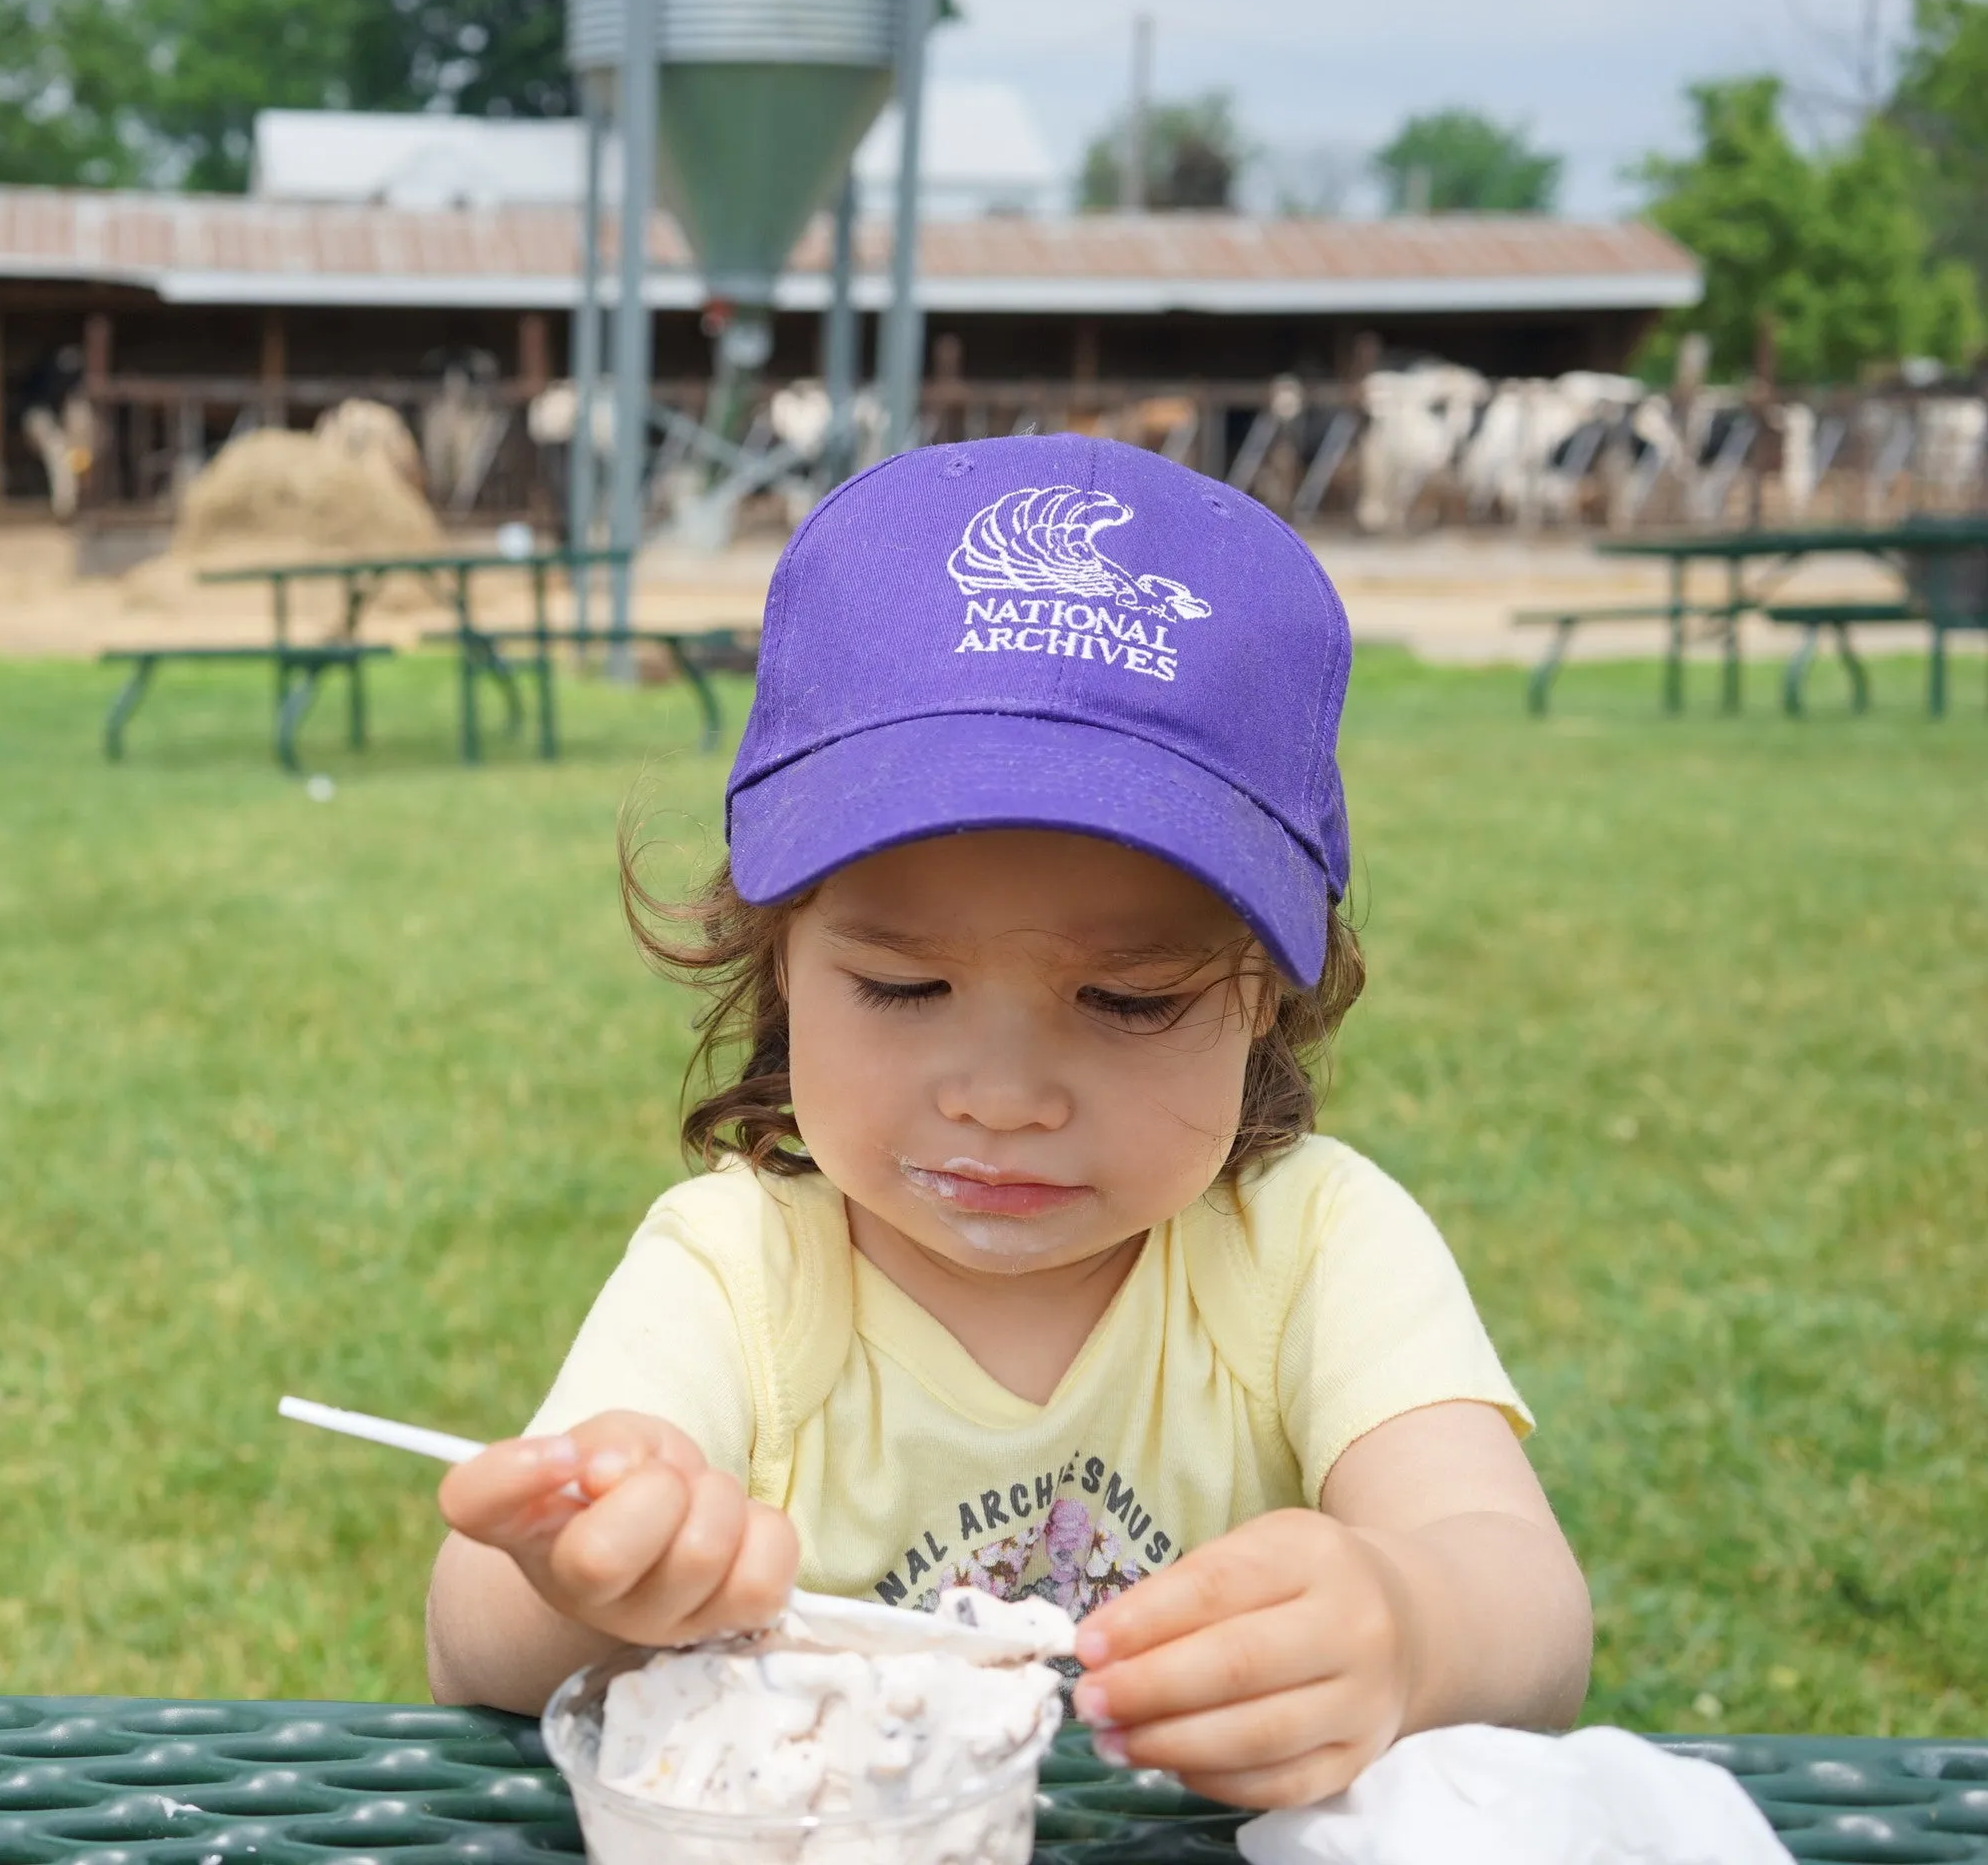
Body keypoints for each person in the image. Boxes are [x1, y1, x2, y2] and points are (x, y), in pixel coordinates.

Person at [426, 437, 1592, 1807]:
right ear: (781, 959)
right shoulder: (735, 1273)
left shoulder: (1314, 1250)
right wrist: (598, 1573)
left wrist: (1410, 1626)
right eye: (903, 985)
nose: (1003, 1094)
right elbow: (475, 1642)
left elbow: (1529, 1606)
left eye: (1128, 998)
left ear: (1268, 997)